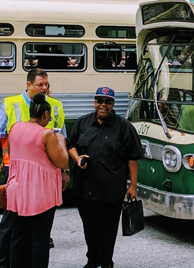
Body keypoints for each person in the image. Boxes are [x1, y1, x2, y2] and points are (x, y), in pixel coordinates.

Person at [0, 69, 66, 268]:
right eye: (41, 84)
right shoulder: (13, 105)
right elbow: (61, 160)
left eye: (47, 84)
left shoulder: (19, 126)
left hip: (18, 179)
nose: (45, 88)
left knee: (18, 231)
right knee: (34, 233)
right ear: (28, 84)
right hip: (34, 182)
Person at [67, 87, 143, 268]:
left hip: (112, 190)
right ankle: (92, 260)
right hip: (85, 189)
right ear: (94, 102)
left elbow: (133, 158)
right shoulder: (83, 123)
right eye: (99, 101)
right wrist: (77, 158)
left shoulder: (124, 127)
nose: (103, 105)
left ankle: (106, 261)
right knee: (90, 228)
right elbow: (70, 144)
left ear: (113, 104)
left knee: (108, 229)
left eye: (107, 101)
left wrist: (133, 185)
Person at [5, 94, 68, 268]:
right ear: (46, 115)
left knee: (18, 235)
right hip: (40, 192)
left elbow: (11, 151)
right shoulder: (46, 134)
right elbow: (62, 161)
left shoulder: (16, 128)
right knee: (40, 237)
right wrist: (61, 141)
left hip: (17, 189)